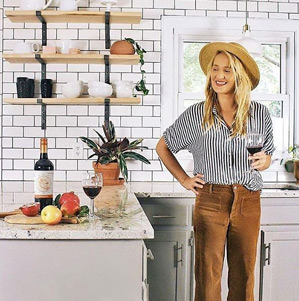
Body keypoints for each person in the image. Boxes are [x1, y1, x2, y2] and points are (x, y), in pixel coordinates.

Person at [156, 42, 275, 301]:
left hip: (248, 199)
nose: (219, 76)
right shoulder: (197, 114)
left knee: (244, 277)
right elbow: (163, 147)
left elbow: (267, 156)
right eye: (216, 69)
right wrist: (184, 179)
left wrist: (265, 161)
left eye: (228, 70)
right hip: (211, 199)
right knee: (208, 277)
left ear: (239, 76)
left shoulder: (260, 114)